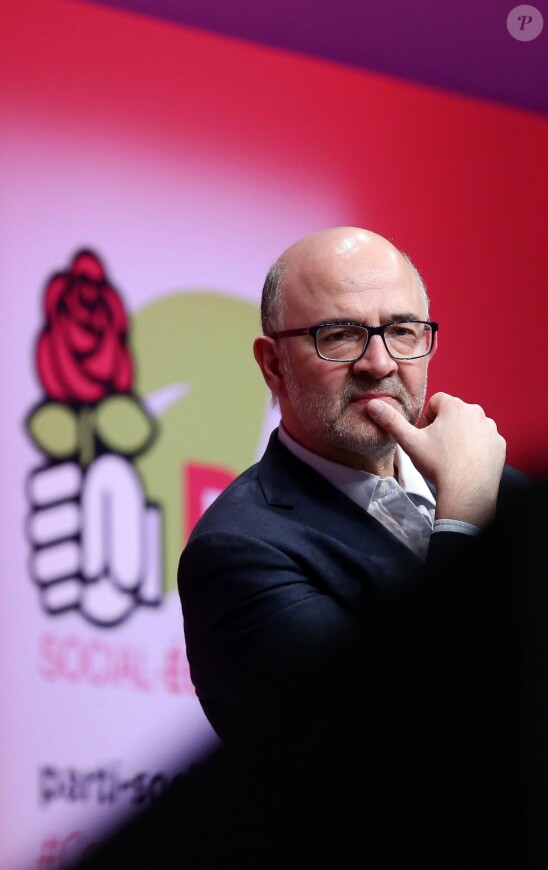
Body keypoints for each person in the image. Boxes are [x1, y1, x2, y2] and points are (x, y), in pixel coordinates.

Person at [176, 227, 530, 866]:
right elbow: (403, 757)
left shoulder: (512, 496)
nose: (380, 363)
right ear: (272, 363)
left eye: (402, 330)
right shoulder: (241, 550)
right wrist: (465, 524)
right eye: (339, 334)